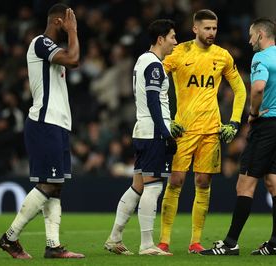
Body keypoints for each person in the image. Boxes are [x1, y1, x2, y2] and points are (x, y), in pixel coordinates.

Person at [200, 17, 276, 256]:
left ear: (260, 34)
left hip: (266, 127)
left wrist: (253, 112)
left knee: (245, 184)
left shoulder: (261, 58)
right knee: (275, 183)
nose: (249, 40)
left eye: (251, 35)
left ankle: (230, 244)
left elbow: (257, 88)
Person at [0, 4, 84, 259]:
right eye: (69, 20)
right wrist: (73, 32)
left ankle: (53, 246)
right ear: (58, 20)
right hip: (45, 123)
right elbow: (75, 59)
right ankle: (10, 237)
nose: (72, 24)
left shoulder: (52, 51)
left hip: (57, 124)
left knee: (55, 187)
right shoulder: (40, 43)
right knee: (49, 183)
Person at [156, 9, 247, 254]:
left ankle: (195, 240)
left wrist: (235, 122)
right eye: (207, 28)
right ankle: (164, 240)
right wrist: (165, 119)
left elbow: (240, 90)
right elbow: (154, 83)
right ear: (195, 28)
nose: (212, 33)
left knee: (203, 181)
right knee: (175, 180)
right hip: (182, 128)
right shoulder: (177, 52)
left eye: (215, 29)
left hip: (211, 130)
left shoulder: (223, 56)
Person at [104, 19, 177, 256]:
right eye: (172, 37)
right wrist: (166, 133)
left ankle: (115, 237)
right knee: (153, 188)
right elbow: (154, 101)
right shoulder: (155, 65)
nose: (175, 42)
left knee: (137, 185)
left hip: (142, 129)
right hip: (154, 132)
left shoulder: (141, 61)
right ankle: (147, 244)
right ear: (160, 39)